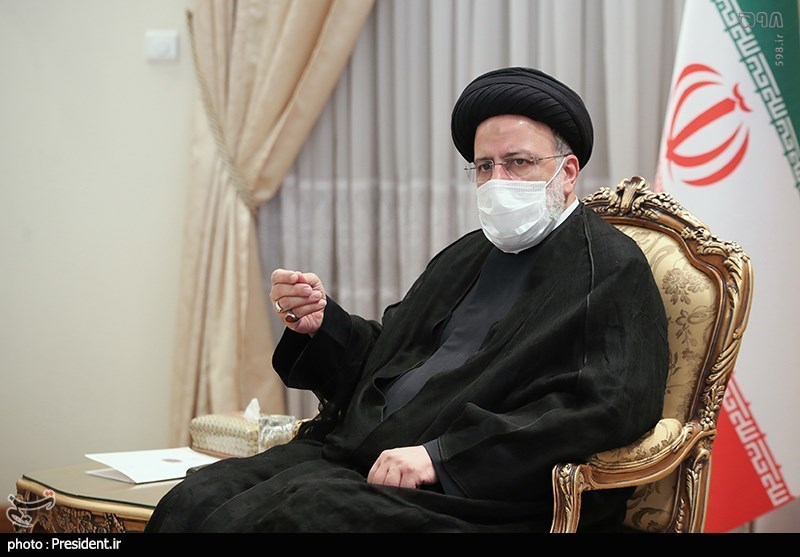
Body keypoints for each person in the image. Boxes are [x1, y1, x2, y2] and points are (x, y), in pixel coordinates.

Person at [145, 66, 669, 533]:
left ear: (567, 172)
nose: (497, 181)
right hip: (365, 456)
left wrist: (441, 456)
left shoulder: (609, 266)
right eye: (484, 167)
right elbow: (392, 359)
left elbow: (605, 408)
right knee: (198, 496)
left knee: (304, 517)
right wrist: (322, 324)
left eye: (517, 162)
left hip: (481, 491)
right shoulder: (466, 255)